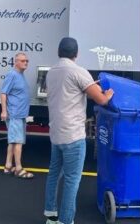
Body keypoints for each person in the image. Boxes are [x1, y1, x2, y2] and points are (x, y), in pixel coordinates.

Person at [44, 37, 114, 224]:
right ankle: (66, 221)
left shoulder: (51, 72)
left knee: (53, 174)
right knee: (72, 180)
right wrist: (107, 94)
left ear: (59, 52)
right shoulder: (79, 72)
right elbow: (101, 100)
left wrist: (88, 85)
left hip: (56, 133)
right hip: (73, 135)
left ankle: (50, 214)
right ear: (76, 53)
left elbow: (69, 91)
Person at [0, 51, 33, 178]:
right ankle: (18, 168)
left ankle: (8, 166)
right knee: (18, 141)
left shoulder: (20, 75)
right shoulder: (12, 75)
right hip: (14, 114)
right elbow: (4, 93)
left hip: (20, 114)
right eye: (23, 61)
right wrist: (4, 111)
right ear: (16, 62)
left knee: (13, 141)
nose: (26, 63)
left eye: (27, 61)